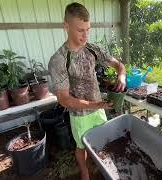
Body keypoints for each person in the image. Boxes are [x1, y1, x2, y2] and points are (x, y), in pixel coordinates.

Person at [48, 2, 126, 180]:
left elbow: (118, 65)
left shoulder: (92, 49)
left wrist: (121, 76)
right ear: (66, 26)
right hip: (80, 114)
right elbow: (64, 100)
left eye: (88, 29)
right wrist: (97, 104)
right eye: (80, 30)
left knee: (102, 141)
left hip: (99, 108)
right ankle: (84, 172)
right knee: (81, 146)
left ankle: (103, 167)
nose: (85, 35)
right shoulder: (59, 60)